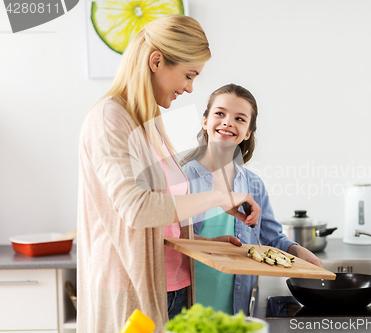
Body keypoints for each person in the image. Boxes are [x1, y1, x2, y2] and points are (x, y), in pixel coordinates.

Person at [76, 17, 260, 333]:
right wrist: (219, 197)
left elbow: (162, 221)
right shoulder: (109, 119)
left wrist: (206, 244)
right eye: (189, 75)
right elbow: (137, 208)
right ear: (157, 61)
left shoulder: (149, 124)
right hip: (129, 290)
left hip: (172, 289)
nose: (189, 88)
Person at [181, 83, 322, 315]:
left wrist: (296, 250)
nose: (228, 122)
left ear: (247, 132)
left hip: (236, 311)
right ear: (205, 121)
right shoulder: (181, 177)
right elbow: (165, 241)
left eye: (239, 118)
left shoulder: (253, 184)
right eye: (220, 114)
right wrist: (207, 245)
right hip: (187, 308)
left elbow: (269, 238)